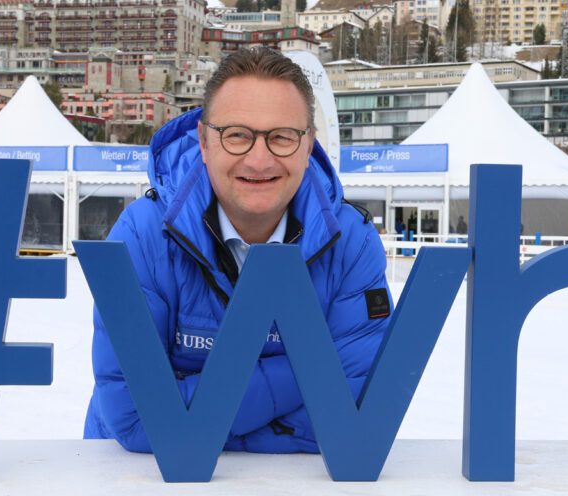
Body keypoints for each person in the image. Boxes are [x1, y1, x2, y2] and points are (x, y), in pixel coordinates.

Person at [83, 47, 392, 453]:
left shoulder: (352, 243)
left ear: (308, 143)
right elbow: (136, 417)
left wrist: (203, 418)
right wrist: (310, 374)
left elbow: (357, 408)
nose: (259, 159)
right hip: (143, 485)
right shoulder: (142, 235)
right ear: (205, 140)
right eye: (237, 136)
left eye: (281, 137)